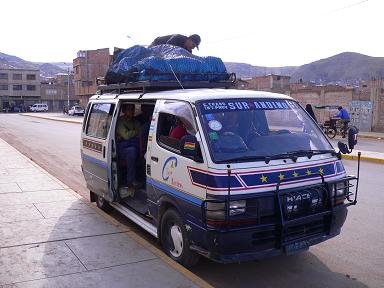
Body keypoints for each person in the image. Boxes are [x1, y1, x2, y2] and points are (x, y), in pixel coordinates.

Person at [117, 104, 141, 188]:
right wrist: (135, 132)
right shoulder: (120, 121)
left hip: (132, 145)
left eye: (133, 109)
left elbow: (140, 133)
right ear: (124, 111)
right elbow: (126, 135)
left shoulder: (136, 121)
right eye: (129, 109)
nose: (132, 111)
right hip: (121, 149)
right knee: (132, 151)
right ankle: (130, 180)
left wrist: (131, 134)